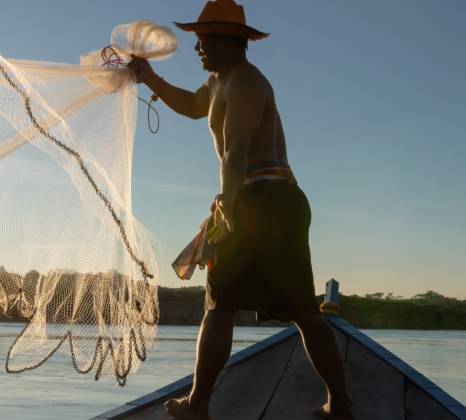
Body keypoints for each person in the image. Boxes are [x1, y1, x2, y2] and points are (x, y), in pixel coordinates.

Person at [127, 1, 357, 419]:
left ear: (225, 40)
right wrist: (148, 77)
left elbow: (236, 152)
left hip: (265, 201)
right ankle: (339, 406)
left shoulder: (248, 83)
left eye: (201, 40)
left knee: (238, 306)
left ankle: (200, 407)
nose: (196, 47)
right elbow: (192, 106)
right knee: (267, 308)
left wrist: (228, 202)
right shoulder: (219, 82)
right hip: (256, 200)